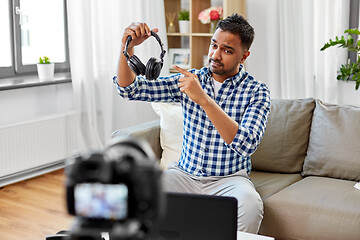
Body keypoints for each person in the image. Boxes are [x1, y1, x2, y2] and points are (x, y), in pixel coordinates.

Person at [113, 14, 270, 234]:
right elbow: (129, 89)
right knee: (140, 194)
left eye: (227, 50)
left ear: (244, 56)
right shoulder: (190, 79)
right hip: (183, 175)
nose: (215, 54)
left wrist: (204, 100)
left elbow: (246, 144)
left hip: (229, 180)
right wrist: (126, 48)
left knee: (251, 206)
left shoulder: (257, 91)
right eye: (214, 45)